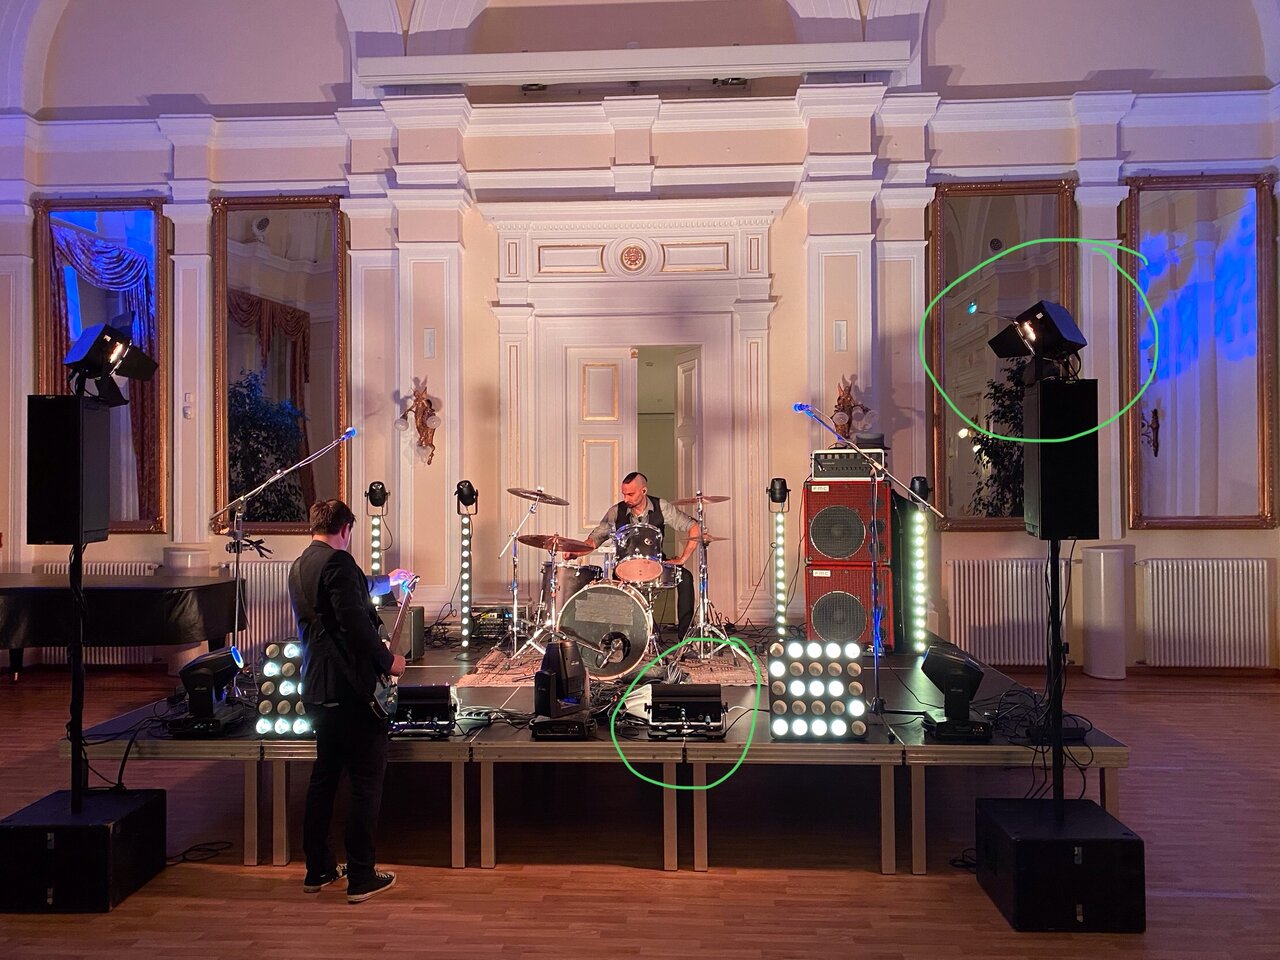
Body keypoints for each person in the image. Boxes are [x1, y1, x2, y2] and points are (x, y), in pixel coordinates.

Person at [289, 498, 415, 904]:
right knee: (365, 782)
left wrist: (388, 580)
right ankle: (361, 876)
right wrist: (389, 661)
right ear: (346, 529)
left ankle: (319, 870)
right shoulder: (339, 563)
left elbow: (348, 591)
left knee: (324, 779)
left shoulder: (300, 565)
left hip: (317, 689)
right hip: (349, 692)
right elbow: (355, 624)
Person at [584, 471, 699, 643]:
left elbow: (694, 527)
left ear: (644, 491)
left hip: (656, 564)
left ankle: (686, 639)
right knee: (614, 585)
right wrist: (575, 550)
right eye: (624, 494)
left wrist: (682, 559)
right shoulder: (616, 511)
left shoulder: (661, 506)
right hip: (625, 568)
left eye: (630, 494)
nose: (626, 499)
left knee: (686, 578)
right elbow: (595, 539)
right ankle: (628, 638)